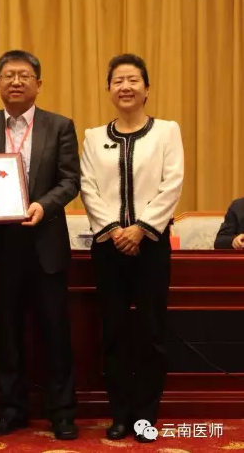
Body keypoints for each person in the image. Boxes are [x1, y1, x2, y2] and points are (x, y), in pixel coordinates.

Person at [0, 50, 80, 440]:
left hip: (45, 243)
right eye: (9, 75)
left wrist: (43, 205)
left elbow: (70, 180)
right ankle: (11, 409)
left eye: (24, 75)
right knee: (6, 333)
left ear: (38, 84)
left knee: (55, 332)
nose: (16, 81)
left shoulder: (59, 126)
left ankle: (62, 412)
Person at [80, 54, 184, 443]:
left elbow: (172, 184)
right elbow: (88, 187)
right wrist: (114, 230)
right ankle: (120, 414)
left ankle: (145, 415)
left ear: (146, 88)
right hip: (108, 248)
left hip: (151, 245)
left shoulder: (167, 132)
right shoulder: (93, 137)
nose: (125, 86)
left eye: (133, 80)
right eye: (118, 81)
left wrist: (140, 229)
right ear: (109, 89)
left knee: (152, 331)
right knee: (115, 331)